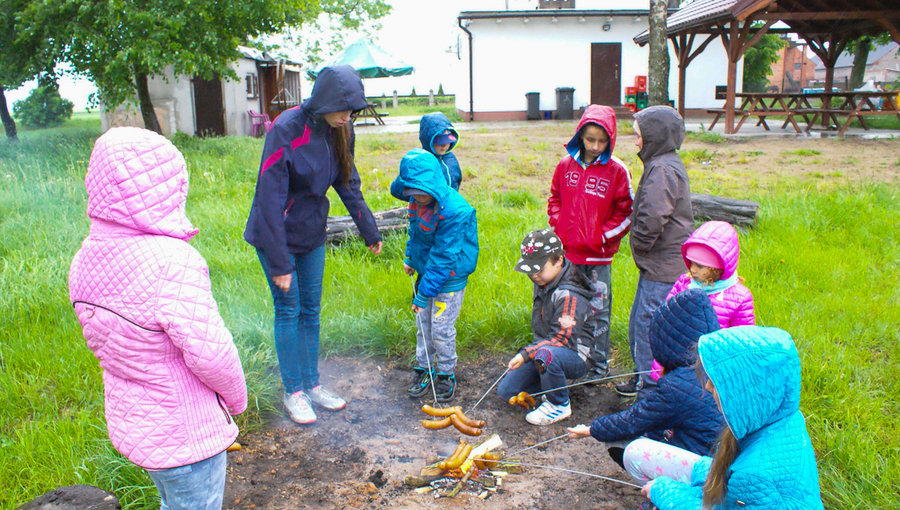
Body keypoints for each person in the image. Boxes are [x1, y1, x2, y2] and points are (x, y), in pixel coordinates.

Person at [69, 127, 248, 509]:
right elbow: (211, 355)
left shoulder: (85, 257)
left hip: (137, 424)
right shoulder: (172, 262)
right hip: (186, 432)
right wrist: (236, 401)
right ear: (169, 186)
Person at [243, 65, 383, 424]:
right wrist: (278, 263)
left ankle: (313, 384)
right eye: (343, 109)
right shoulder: (286, 129)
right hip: (276, 233)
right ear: (324, 101)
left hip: (311, 232)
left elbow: (347, 180)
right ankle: (294, 392)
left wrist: (369, 228)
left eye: (353, 111)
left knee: (312, 311)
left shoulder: (341, 129)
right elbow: (268, 198)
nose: (348, 117)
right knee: (289, 310)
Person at [636, 326, 824, 510]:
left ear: (748, 392)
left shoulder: (753, 477)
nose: (708, 387)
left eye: (719, 382)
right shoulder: (782, 420)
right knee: (638, 454)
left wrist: (665, 493)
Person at [566, 289, 724, 478]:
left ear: (666, 341)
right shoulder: (726, 364)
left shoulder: (677, 386)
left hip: (708, 471)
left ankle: (667, 494)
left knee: (623, 443)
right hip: (732, 460)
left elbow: (631, 421)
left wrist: (591, 429)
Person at [548, 104, 633, 381]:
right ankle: (572, 361)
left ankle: (598, 366)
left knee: (598, 314)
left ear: (611, 140)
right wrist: (560, 228)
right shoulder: (565, 165)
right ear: (580, 136)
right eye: (590, 139)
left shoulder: (617, 171)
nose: (596, 146)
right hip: (569, 257)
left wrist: (600, 237)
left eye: (602, 140)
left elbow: (626, 212)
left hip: (598, 259)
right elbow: (555, 200)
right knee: (568, 310)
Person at [391, 148, 478, 401]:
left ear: (433, 184)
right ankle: (424, 368)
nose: (415, 197)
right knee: (423, 326)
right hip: (427, 273)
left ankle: (445, 373)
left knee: (441, 328)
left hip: (448, 278)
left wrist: (421, 296)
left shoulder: (455, 211)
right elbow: (415, 232)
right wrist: (410, 257)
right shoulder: (417, 201)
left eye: (419, 191)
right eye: (410, 191)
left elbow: (443, 258)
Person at [619, 106, 693, 397]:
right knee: (639, 322)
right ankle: (640, 380)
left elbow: (652, 218)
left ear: (654, 137)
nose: (636, 141)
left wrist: (638, 245)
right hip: (658, 264)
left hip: (663, 267)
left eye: (639, 136)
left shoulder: (662, 169)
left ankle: (649, 392)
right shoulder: (662, 163)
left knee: (649, 329)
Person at [498, 229, 598, 425]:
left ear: (559, 260)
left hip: (574, 354)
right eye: (529, 269)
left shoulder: (569, 294)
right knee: (507, 392)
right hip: (546, 349)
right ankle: (551, 382)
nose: (533, 275)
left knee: (546, 355)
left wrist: (527, 353)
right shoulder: (546, 279)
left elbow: (562, 340)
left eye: (538, 269)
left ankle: (558, 405)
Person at [418, 112, 462, 190]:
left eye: (447, 141)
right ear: (428, 140)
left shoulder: (451, 158)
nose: (444, 145)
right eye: (440, 142)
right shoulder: (420, 161)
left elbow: (457, 180)